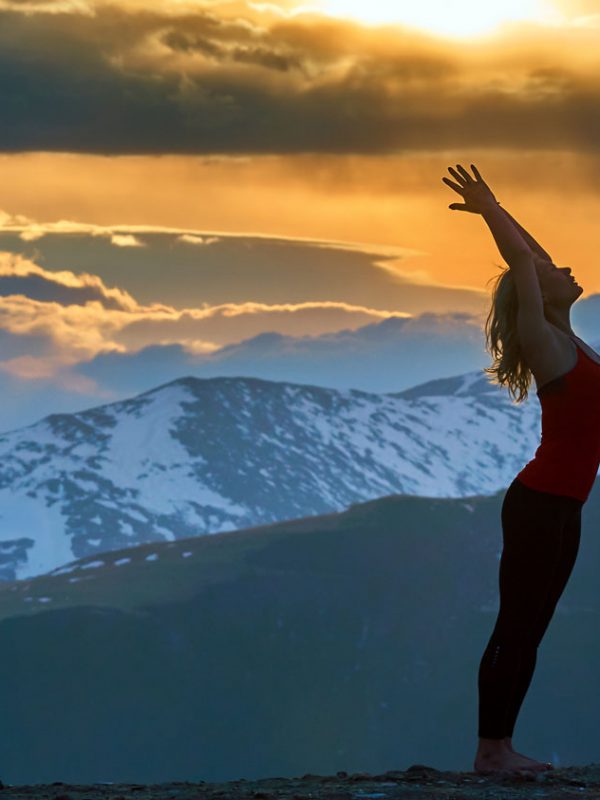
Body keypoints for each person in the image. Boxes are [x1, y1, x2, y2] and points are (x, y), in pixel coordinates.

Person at [442, 164, 600, 776]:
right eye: (552, 273)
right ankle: (490, 752)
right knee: (516, 625)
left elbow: (534, 261)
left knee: (533, 626)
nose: (563, 268)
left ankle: (501, 748)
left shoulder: (570, 338)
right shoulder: (545, 340)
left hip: (565, 506)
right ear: (538, 294)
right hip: (538, 504)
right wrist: (490, 211)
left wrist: (502, 208)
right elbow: (523, 266)